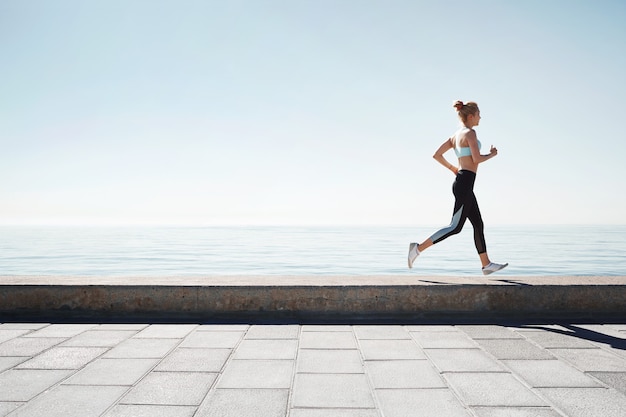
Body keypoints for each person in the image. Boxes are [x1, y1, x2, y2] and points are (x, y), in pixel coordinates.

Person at [408, 100, 508, 275]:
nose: (480, 118)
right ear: (471, 116)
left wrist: (454, 168)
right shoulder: (470, 133)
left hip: (463, 182)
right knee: (455, 227)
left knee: (478, 223)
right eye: (478, 115)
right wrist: (492, 154)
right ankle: (417, 248)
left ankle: (486, 265)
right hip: (464, 184)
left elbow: (437, 155)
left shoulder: (455, 136)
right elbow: (476, 159)